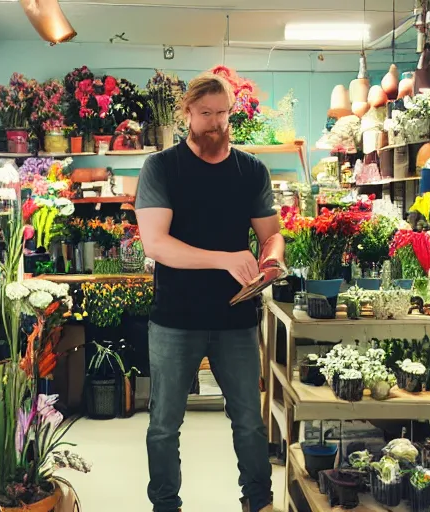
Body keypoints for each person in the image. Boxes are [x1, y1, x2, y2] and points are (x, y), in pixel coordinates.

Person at [135, 72, 285, 512]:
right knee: (164, 424)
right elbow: (156, 244)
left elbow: (272, 235)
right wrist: (224, 258)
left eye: (222, 113)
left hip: (236, 319)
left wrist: (271, 259)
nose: (216, 124)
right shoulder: (161, 167)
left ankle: (258, 502)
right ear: (187, 115)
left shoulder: (251, 169)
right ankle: (166, 504)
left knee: (249, 422)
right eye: (206, 114)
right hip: (175, 317)